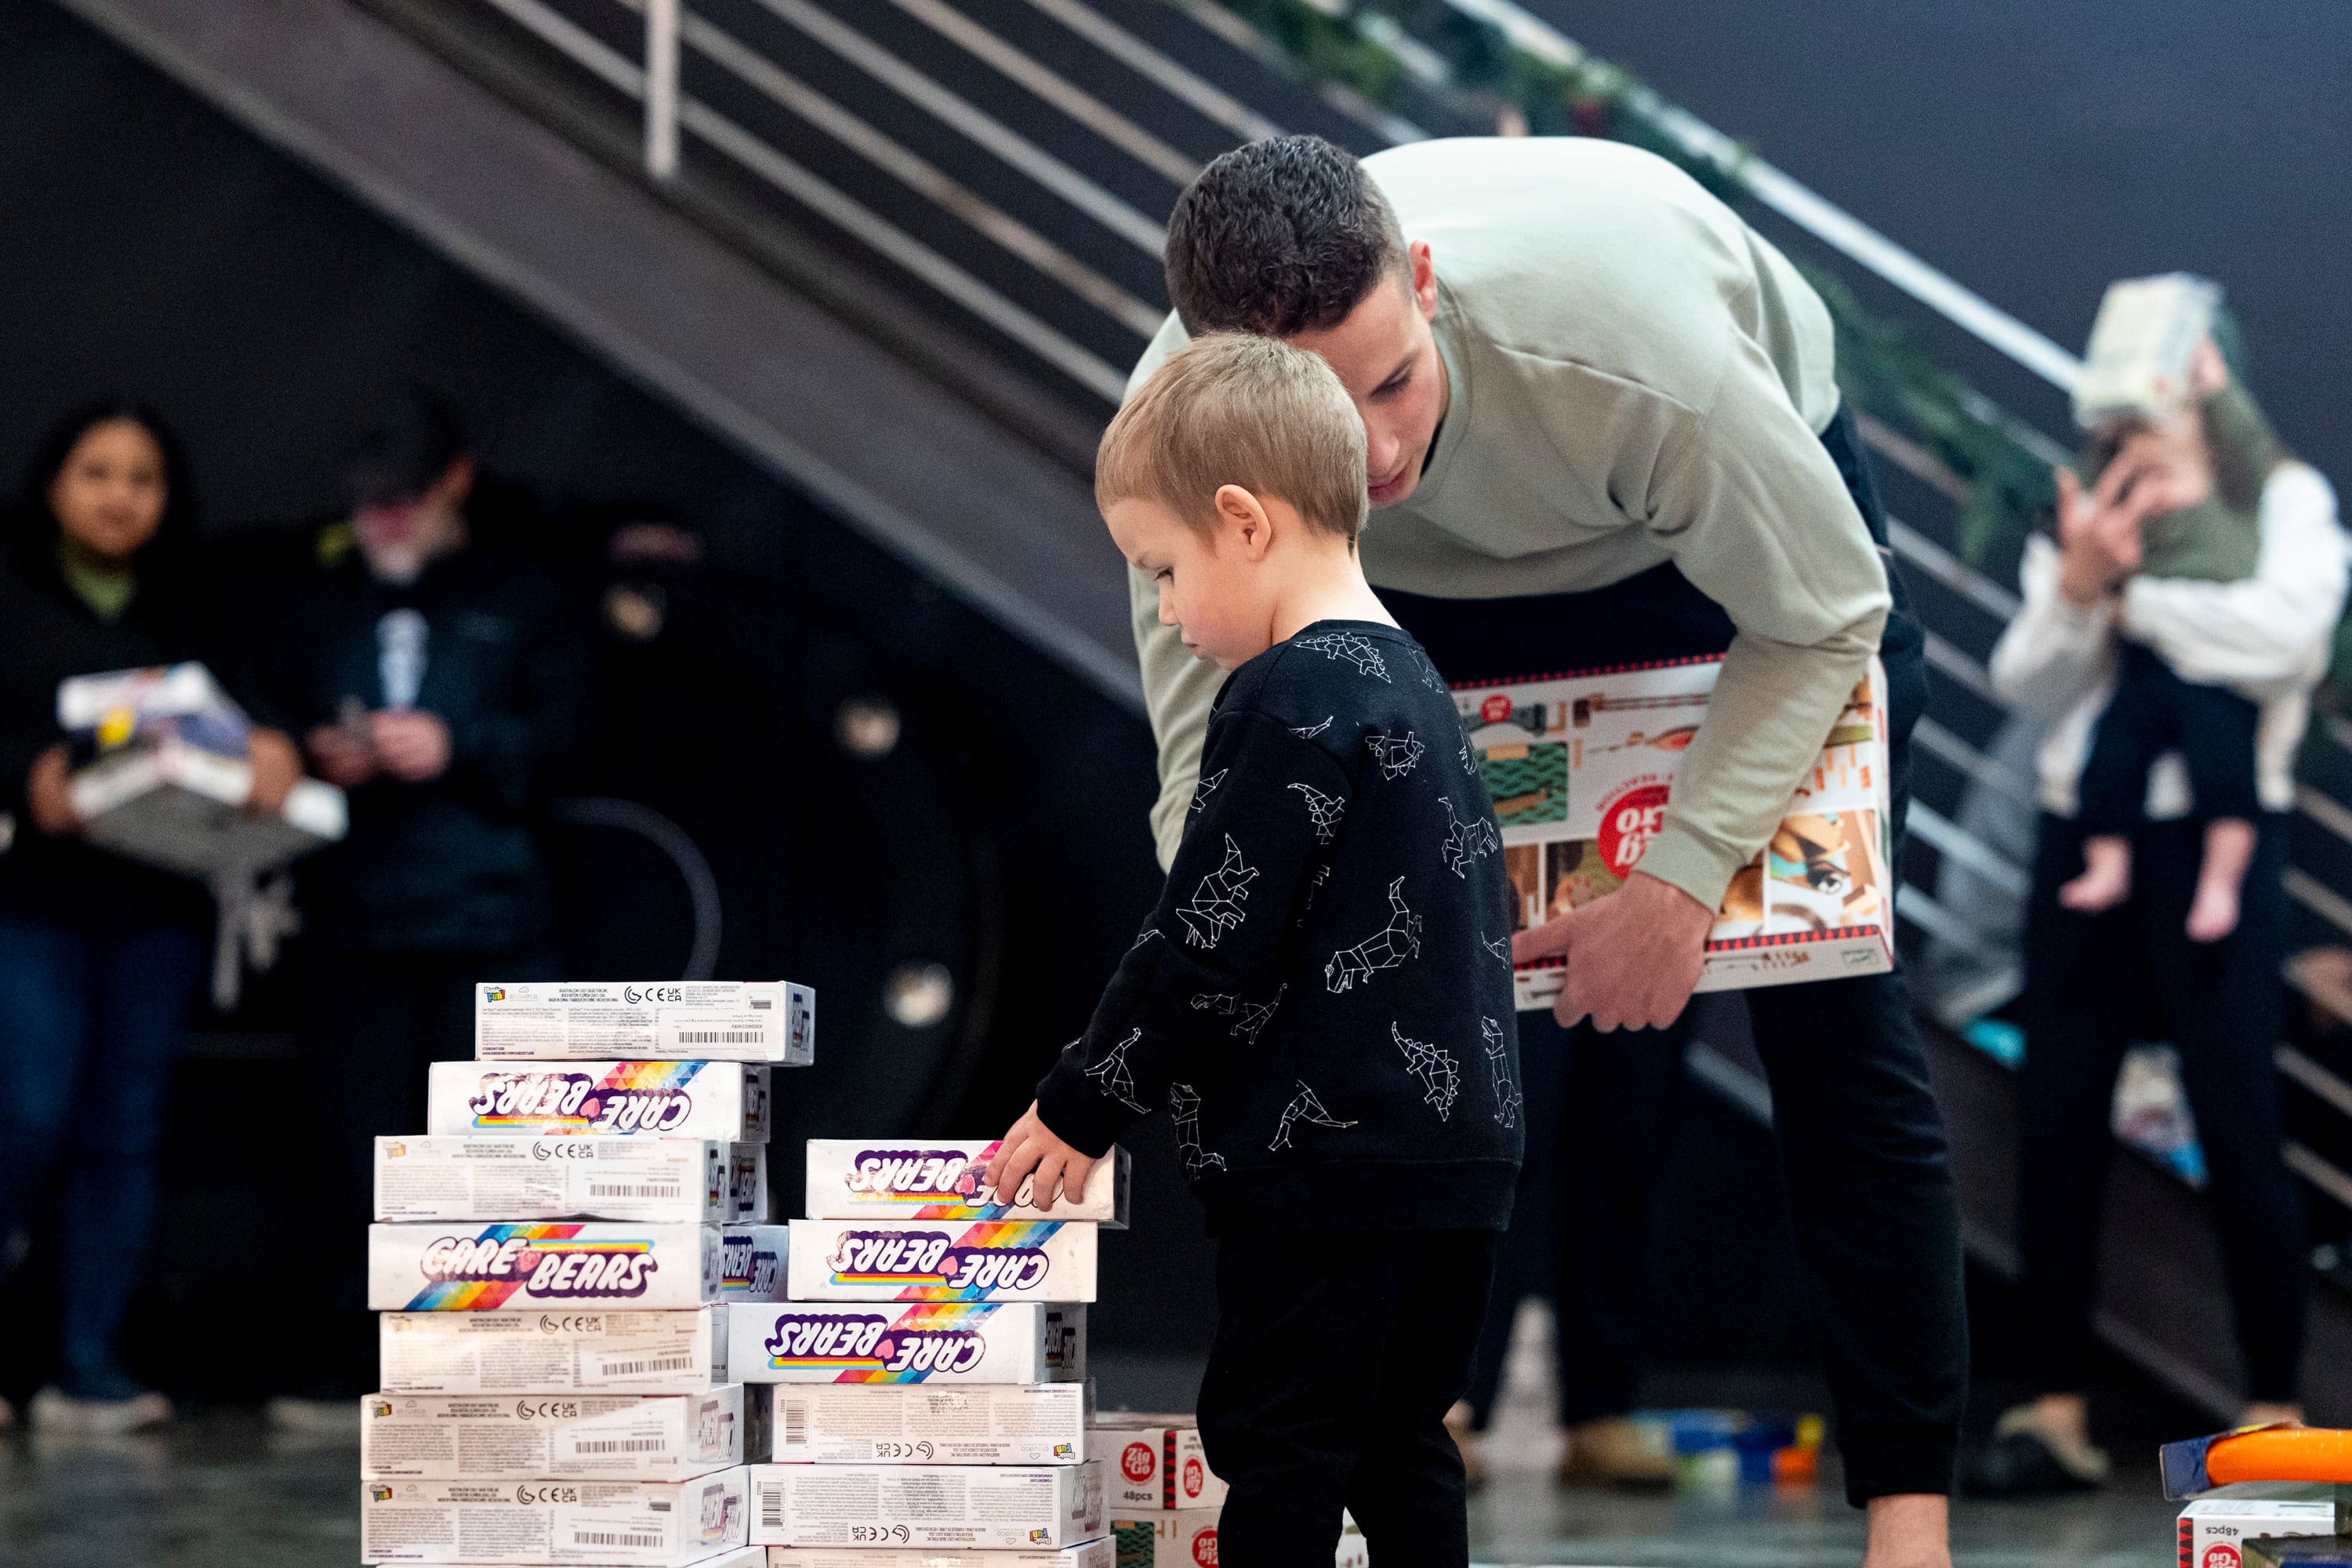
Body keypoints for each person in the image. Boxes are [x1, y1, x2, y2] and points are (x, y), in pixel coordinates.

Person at [1120, 134, 1963, 1567]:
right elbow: (1214, 782)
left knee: (1835, 1019)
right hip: (1426, 596)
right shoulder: (1184, 446)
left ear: (1426, 283)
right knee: (1377, 1021)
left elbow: (1829, 614)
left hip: (1716, 552)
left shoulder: (1642, 360)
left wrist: (1685, 880)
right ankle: (1379, 1449)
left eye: (1393, 380)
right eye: (1325, 416)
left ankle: (1910, 1521)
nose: (1379, 451)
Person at [984, 333, 1521, 1568]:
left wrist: (1083, 1100)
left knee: (1280, 1442)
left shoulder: (1290, 695)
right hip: (1457, 1162)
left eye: (1163, 570)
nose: (1167, 613)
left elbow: (1210, 939)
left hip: (1326, 1161)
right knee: (1401, 1445)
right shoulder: (1418, 683)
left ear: (1242, 521)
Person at [1970, 343, 2341, 1494]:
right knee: (2059, 1119)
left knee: (2237, 1115)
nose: (2139, 428)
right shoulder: (2089, 505)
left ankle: (2273, 1405)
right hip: (2086, 832)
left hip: (2220, 836)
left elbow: (2287, 642)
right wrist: (2083, 585)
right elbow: (2026, 680)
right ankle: (2054, 1404)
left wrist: (2137, 595)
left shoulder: (2279, 493)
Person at [253, 388, 592, 1424]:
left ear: (455, 481)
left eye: (405, 494)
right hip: (352, 913)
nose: (385, 517)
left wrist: (460, 748)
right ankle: (352, 1355)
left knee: (492, 1156)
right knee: (353, 1147)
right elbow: (262, 711)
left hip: (489, 916)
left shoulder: (525, 594)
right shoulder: (310, 600)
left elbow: (577, 736)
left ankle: (489, 1361)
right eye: (368, 499)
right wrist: (311, 754)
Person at [0, 402, 299, 1433]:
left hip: (160, 901)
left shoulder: (189, 601)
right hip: (36, 899)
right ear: (53, 484)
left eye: (141, 476)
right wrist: (29, 772)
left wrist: (272, 752)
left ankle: (89, 1361)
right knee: (26, 1115)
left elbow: (258, 718)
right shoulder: (14, 589)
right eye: (97, 471)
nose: (119, 494)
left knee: (123, 1132)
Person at [2056, 343, 2283, 942]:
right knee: (2110, 756)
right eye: (2138, 464)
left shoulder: (2237, 495)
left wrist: (2213, 384)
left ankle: (2219, 884)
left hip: (2216, 676)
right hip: (2148, 663)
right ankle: (2108, 865)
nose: (2154, 482)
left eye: (2166, 466)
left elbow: (2241, 435)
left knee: (2227, 773)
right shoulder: (2139, 512)